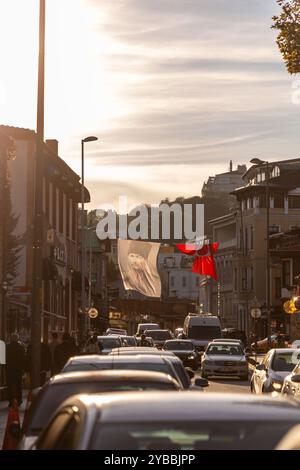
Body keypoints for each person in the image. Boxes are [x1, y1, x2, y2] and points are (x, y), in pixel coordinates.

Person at [6, 333, 26, 407]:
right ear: (17, 339)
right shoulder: (21, 348)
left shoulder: (7, 347)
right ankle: (19, 400)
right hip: (18, 370)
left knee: (10, 386)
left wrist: (6, 368)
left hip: (10, 370)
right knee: (18, 385)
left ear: (11, 339)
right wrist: (23, 369)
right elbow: (23, 360)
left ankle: (11, 402)